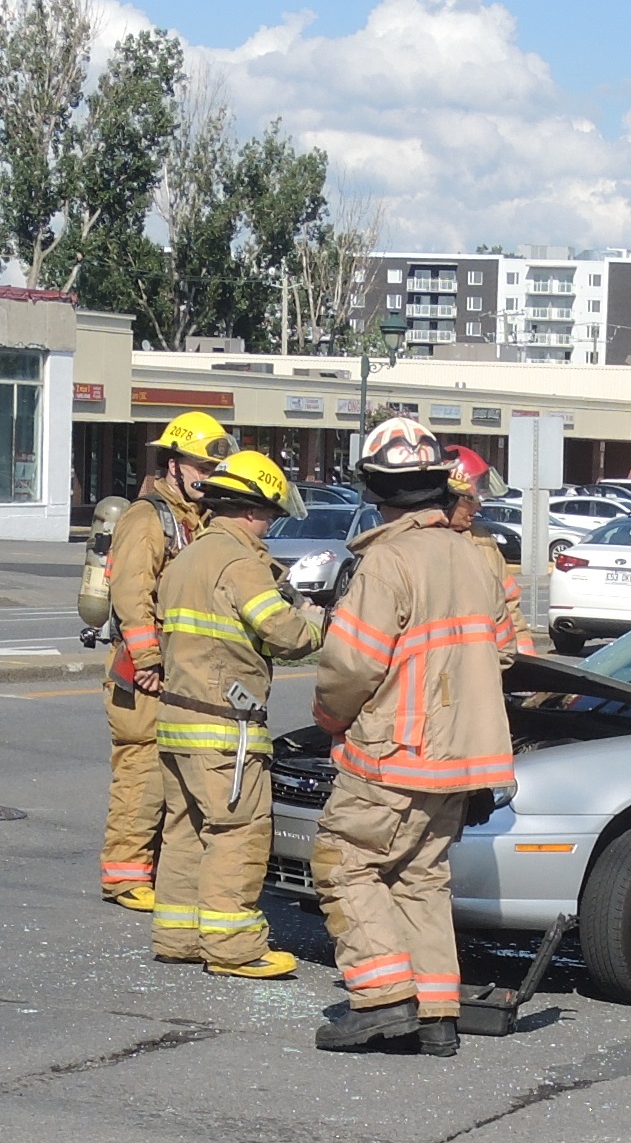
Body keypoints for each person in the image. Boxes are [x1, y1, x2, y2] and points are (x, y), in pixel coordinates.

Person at [310, 419, 517, 1057]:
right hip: (462, 760)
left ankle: (384, 1000)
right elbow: (505, 653)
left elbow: (351, 666)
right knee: (422, 877)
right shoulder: (477, 557)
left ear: (374, 489)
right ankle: (437, 1014)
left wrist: (329, 717)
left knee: (345, 862)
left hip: (393, 755)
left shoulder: (388, 560)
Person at [149, 452, 324, 977]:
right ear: (251, 510)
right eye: (269, 514)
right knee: (239, 830)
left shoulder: (190, 557)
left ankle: (177, 935)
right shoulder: (241, 564)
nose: (269, 524)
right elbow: (287, 636)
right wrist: (315, 622)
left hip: (176, 722)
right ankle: (232, 947)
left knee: (184, 830)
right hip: (225, 726)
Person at [99, 411, 235, 910]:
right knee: (141, 769)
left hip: (178, 669)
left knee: (169, 770)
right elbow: (131, 594)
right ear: (173, 464)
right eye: (199, 465)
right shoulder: (146, 518)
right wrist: (149, 660)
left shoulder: (194, 521)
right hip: (141, 672)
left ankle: (153, 869)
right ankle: (124, 874)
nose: (206, 476)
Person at [446, 445, 532, 656]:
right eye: (469, 499)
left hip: (483, 668)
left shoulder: (483, 543)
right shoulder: (417, 545)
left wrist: (527, 668)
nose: (478, 507)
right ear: (447, 497)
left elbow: (510, 608)